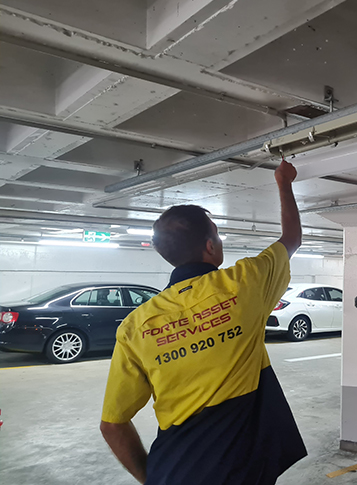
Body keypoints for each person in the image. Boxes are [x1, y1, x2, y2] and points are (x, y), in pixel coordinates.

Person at [100, 160, 306, 485]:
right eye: (218, 236)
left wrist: (152, 477)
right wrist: (284, 181)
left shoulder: (135, 326)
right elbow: (291, 238)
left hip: (174, 468)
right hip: (240, 467)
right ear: (210, 246)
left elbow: (112, 425)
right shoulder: (244, 283)